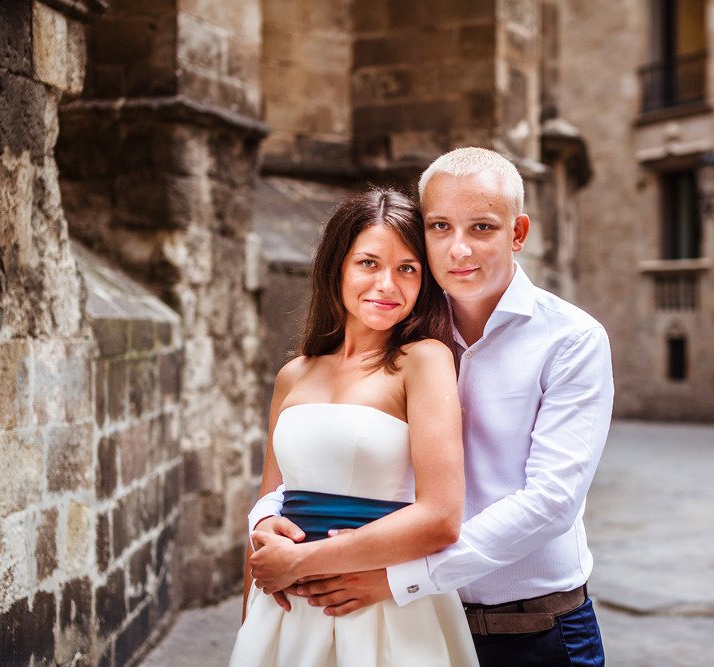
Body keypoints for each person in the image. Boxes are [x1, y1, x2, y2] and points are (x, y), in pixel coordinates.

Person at [249, 148, 614, 666]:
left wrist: (401, 579)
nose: (459, 248)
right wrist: (263, 519)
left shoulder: (571, 340)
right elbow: (322, 445)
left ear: (518, 233)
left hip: (532, 625)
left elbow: (551, 501)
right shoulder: (400, 322)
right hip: (409, 621)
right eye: (440, 226)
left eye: (482, 228)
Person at [230, 188, 479, 666]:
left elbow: (441, 518)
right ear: (337, 267)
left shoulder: (423, 361)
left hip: (378, 606)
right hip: (284, 610)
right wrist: (250, 624)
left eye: (407, 268)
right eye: (368, 263)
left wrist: (301, 562)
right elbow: (264, 513)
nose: (387, 284)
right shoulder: (294, 374)